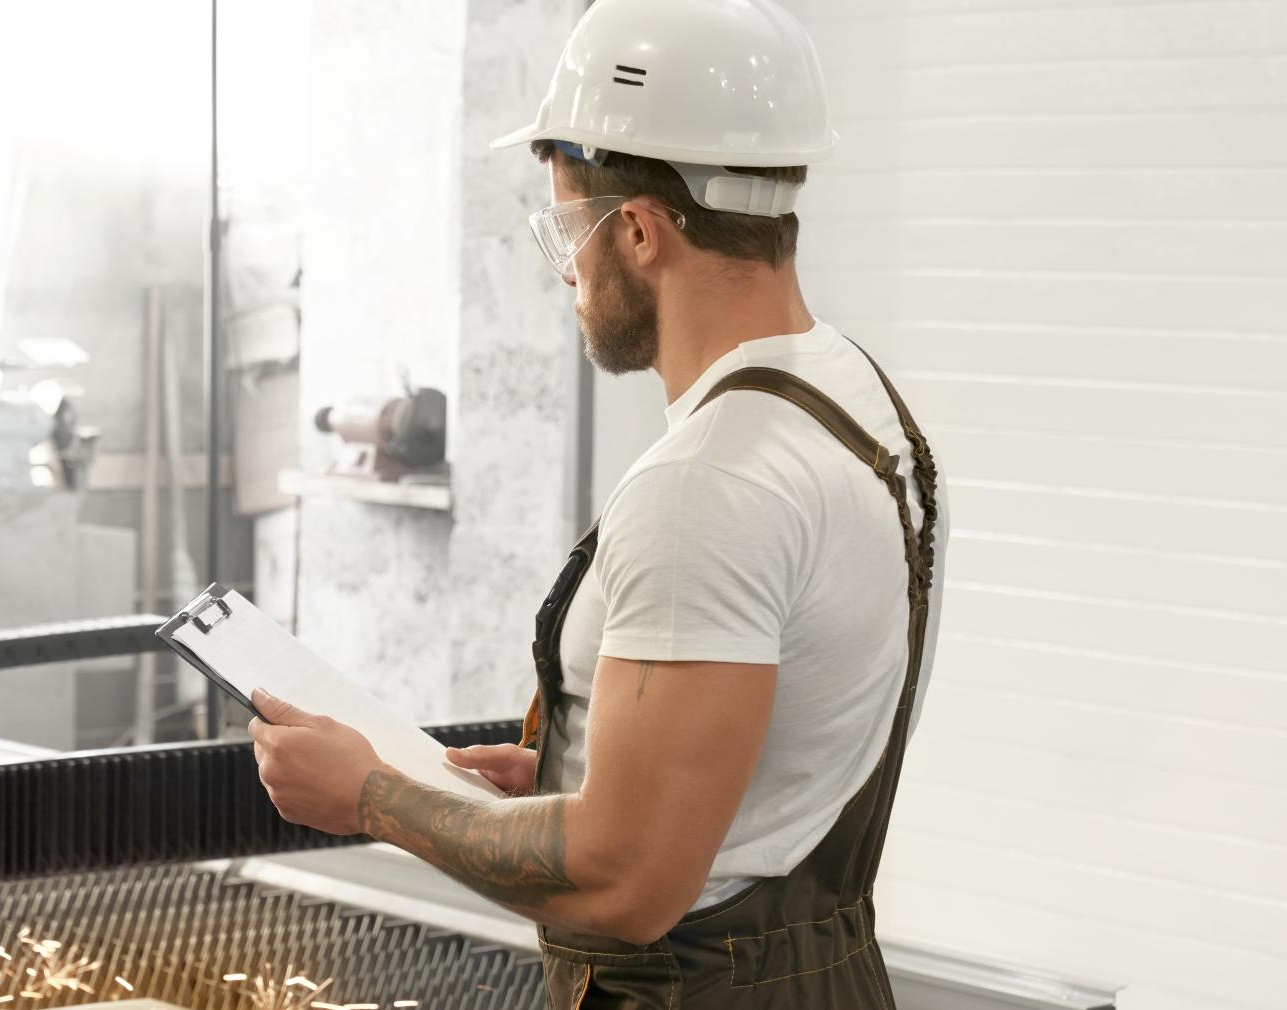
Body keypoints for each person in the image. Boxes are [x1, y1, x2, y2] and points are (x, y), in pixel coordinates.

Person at [247, 0, 947, 1005]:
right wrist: (585, 770)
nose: (563, 266)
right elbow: (779, 755)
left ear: (637, 231)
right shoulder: (861, 407)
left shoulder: (706, 484)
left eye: (565, 224)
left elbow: (627, 876)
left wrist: (369, 794)